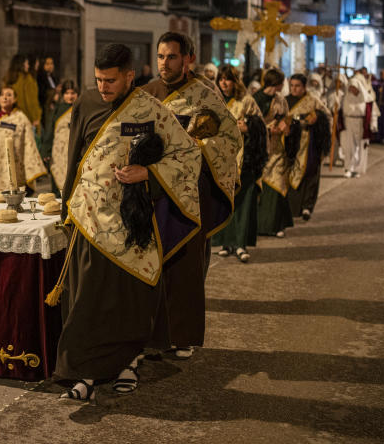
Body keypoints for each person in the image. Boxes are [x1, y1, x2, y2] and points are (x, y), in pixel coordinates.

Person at [51, 44, 202, 401]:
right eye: (99, 80)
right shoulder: (86, 103)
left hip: (132, 225)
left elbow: (188, 155)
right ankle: (84, 373)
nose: (103, 87)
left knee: (127, 304)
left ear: (130, 76)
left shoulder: (152, 110)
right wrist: (65, 211)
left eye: (111, 81)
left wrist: (148, 173)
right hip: (88, 221)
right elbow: (73, 157)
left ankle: (126, 365)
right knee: (86, 301)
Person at [141, 32, 240, 359]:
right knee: (150, 262)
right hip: (152, 191)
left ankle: (182, 336)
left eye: (170, 57)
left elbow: (230, 139)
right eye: (160, 56)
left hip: (190, 194)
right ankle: (150, 336)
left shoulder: (205, 94)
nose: (164, 63)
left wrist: (195, 146)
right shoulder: (146, 94)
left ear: (188, 60)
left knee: (185, 265)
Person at [212, 65, 267, 262]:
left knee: (243, 204)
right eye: (221, 79)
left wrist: (248, 127)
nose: (224, 83)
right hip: (220, 161)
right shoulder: (215, 100)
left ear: (236, 81)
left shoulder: (247, 101)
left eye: (228, 79)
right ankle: (226, 242)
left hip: (244, 162)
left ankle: (241, 245)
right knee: (225, 202)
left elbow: (261, 128)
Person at [0, 86, 46, 195]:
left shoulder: (22, 119)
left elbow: (29, 144)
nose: (5, 98)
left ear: (14, 99)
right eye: (2, 95)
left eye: (9, 95)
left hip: (15, 168)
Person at [285, 73, 332, 221]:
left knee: (311, 174)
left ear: (304, 87)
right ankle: (293, 208)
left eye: (297, 86)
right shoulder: (284, 101)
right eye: (292, 85)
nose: (294, 89)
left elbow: (327, 116)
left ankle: (307, 206)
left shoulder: (312, 101)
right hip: (291, 145)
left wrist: (317, 117)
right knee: (291, 175)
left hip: (310, 144)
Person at [254, 68, 293, 238]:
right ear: (276, 83)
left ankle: (276, 225)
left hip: (277, 150)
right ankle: (260, 225)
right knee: (259, 188)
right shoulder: (255, 100)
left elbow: (287, 118)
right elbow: (252, 124)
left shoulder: (280, 100)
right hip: (260, 150)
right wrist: (269, 130)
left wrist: (285, 125)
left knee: (278, 185)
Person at [40, 80, 79, 195]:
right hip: (58, 153)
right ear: (62, 95)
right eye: (67, 93)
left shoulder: (81, 109)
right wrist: (46, 150)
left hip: (75, 153)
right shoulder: (57, 110)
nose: (70, 96)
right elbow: (49, 130)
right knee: (57, 183)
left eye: (73, 93)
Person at [339, 75, 376, 178]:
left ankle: (357, 169)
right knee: (349, 147)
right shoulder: (345, 98)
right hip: (348, 122)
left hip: (360, 123)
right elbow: (340, 111)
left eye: (354, 87)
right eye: (350, 87)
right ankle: (348, 168)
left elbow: (372, 112)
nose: (352, 89)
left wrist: (373, 124)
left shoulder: (366, 99)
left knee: (360, 147)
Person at [5, 54, 42, 128]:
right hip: (26, 118)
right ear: (21, 65)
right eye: (26, 63)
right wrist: (35, 118)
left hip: (11, 117)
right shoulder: (27, 79)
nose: (28, 66)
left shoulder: (9, 79)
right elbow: (30, 101)